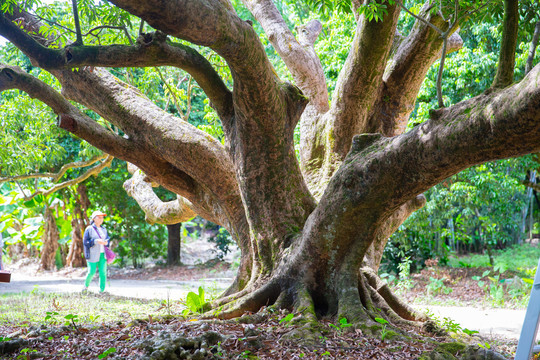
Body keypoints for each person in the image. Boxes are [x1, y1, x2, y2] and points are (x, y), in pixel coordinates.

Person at [82, 210, 111, 294]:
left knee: (103, 272)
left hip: (103, 254)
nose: (101, 219)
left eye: (102, 217)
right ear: (94, 219)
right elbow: (85, 242)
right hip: (92, 254)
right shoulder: (89, 229)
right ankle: (85, 287)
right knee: (91, 272)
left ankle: (102, 290)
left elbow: (108, 239)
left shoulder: (104, 229)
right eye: (99, 217)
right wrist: (95, 241)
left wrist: (106, 242)